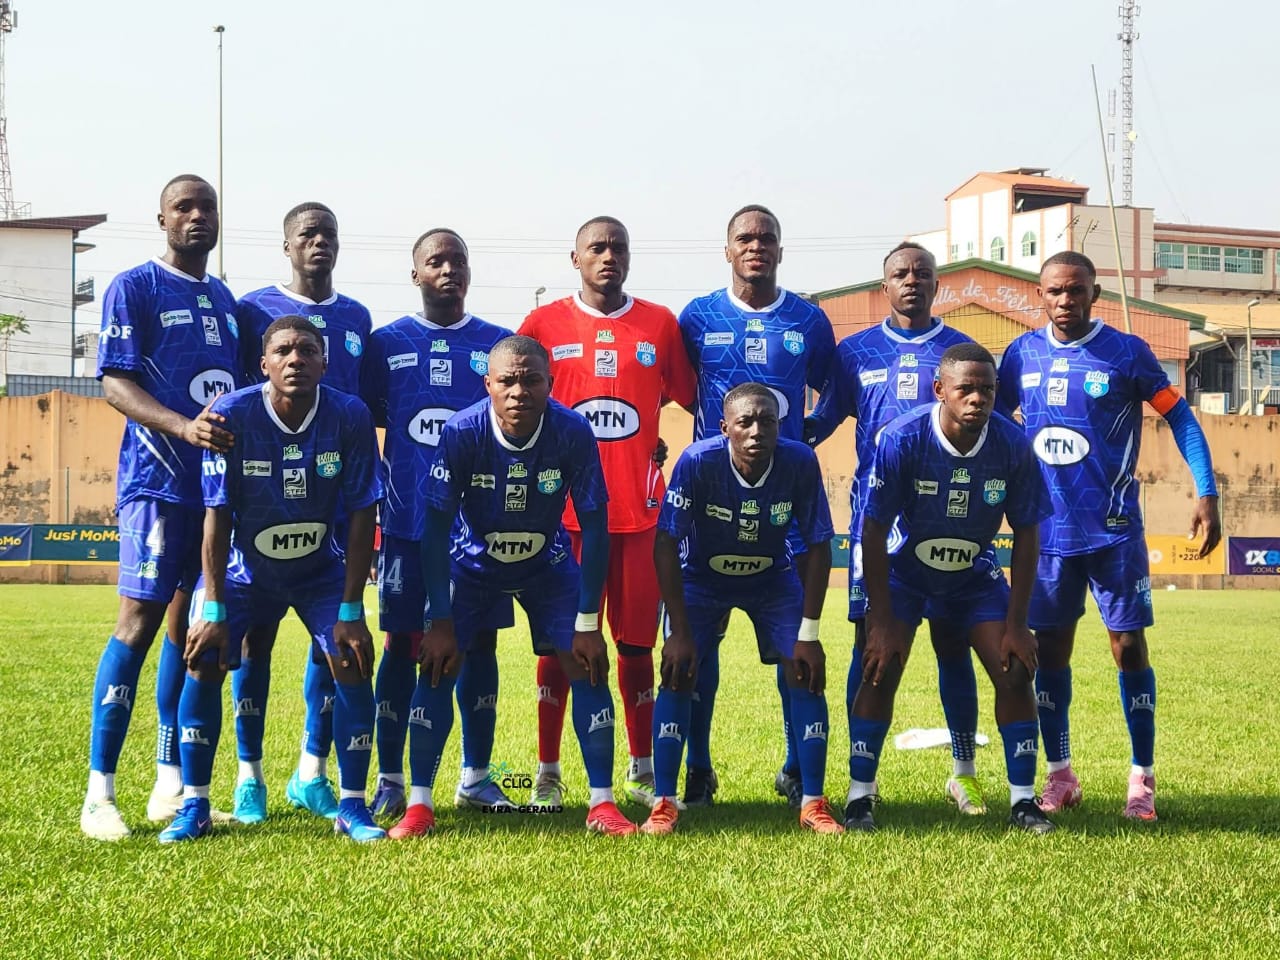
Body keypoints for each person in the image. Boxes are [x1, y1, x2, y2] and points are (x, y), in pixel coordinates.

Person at [996, 251, 1221, 821]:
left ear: (1094, 294)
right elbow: (991, 422)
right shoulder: (1020, 355)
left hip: (1114, 531)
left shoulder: (1127, 352)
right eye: (1054, 291)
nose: (1065, 300)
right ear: (1040, 295)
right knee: (1050, 652)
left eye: (1076, 290)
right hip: (1045, 535)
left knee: (1128, 647)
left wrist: (1206, 490)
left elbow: (1180, 417)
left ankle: (1142, 777)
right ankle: (1060, 774)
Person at [397, 335, 637, 838]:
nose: (519, 391)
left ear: (551, 383)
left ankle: (602, 803)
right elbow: (434, 529)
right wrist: (439, 619)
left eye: (531, 380)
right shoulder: (463, 431)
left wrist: (588, 622)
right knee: (438, 665)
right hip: (471, 566)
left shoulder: (571, 431)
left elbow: (595, 526)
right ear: (488, 384)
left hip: (546, 565)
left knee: (587, 662)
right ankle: (419, 805)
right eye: (507, 380)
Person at [159, 315, 384, 843]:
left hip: (319, 569)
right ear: (263, 364)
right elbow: (216, 516)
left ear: (325, 363)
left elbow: (362, 513)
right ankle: (194, 805)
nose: (295, 359)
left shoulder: (350, 415)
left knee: (351, 658)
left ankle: (353, 806)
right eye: (283, 350)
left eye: (307, 350)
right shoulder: (231, 414)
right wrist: (214, 608)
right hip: (245, 570)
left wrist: (351, 610)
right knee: (205, 657)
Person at [518, 216, 696, 809]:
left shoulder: (660, 324)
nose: (608, 256)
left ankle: (641, 769)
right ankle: (547, 772)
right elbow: (508, 398)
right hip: (565, 519)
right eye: (596, 247)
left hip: (640, 515)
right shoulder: (542, 324)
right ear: (575, 258)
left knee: (636, 647)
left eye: (618, 246)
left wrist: (650, 442)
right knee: (559, 647)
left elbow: (691, 398)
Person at [81, 174, 240, 840]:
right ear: (162, 219)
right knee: (139, 623)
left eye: (207, 207)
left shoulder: (224, 298)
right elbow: (115, 383)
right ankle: (99, 795)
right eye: (184, 207)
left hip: (214, 493)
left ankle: (170, 784)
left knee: (192, 629)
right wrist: (182, 428)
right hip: (156, 483)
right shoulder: (135, 286)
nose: (197, 216)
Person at [806, 242, 988, 815]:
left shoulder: (960, 352)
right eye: (900, 274)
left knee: (953, 643)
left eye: (922, 273)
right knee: (870, 646)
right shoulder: (855, 351)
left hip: (948, 517)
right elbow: (823, 420)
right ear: (884, 286)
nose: (911, 280)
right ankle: (862, 778)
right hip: (877, 522)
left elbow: (995, 426)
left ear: (937, 285)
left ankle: (964, 773)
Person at [851, 342, 1055, 834]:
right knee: (880, 668)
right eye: (966, 389)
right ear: (940, 390)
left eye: (988, 389)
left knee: (1014, 670)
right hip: (905, 574)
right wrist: (880, 621)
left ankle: (1023, 801)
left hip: (972, 576)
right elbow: (872, 531)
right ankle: (860, 796)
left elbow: (1028, 533)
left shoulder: (1012, 444)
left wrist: (1018, 624)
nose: (978, 398)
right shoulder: (902, 438)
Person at [677, 204, 836, 806]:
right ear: (727, 250)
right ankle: (698, 767)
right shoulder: (698, 316)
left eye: (767, 237)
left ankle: (796, 769)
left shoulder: (808, 319)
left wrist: (808, 434)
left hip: (784, 505)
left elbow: (835, 387)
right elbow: (676, 385)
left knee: (792, 643)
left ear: (780, 250)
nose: (756, 246)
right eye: (744, 238)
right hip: (712, 504)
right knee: (699, 645)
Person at [360, 229, 513, 823]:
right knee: (401, 646)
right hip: (407, 524)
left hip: (477, 531)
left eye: (458, 261)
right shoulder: (385, 344)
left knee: (480, 643)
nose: (448, 270)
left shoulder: (496, 343)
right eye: (435, 261)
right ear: (416, 273)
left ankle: (476, 777)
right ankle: (391, 779)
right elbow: (370, 416)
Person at [227, 201, 373, 824]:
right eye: (307, 234)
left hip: (334, 494)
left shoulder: (358, 316)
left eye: (328, 234)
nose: (319, 243)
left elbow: (366, 405)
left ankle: (313, 769)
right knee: (253, 640)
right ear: (286, 245)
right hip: (267, 499)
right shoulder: (252, 308)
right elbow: (246, 401)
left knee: (332, 642)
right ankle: (248, 777)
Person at [642, 383, 842, 834]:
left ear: (780, 426)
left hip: (772, 579)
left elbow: (817, 546)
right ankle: (665, 802)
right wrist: (677, 630)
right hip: (702, 579)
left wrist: (809, 633)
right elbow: (666, 542)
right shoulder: (698, 461)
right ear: (724, 428)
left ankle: (813, 802)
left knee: (804, 670)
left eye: (767, 421)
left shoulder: (799, 462)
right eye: (745, 422)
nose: (756, 431)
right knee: (677, 671)